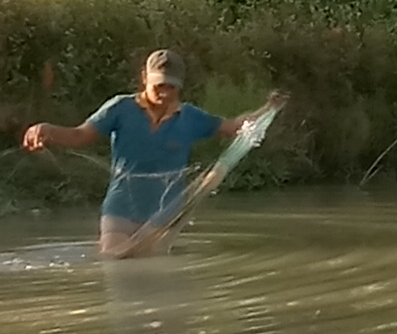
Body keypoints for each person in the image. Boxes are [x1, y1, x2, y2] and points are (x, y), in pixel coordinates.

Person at [23, 49, 282, 259]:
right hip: (121, 207)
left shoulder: (190, 117)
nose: (165, 93)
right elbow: (79, 136)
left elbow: (234, 127)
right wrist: (46, 130)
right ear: (144, 78)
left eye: (172, 87)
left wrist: (268, 109)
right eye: (159, 85)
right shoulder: (120, 108)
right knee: (114, 263)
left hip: (165, 214)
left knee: (154, 274)